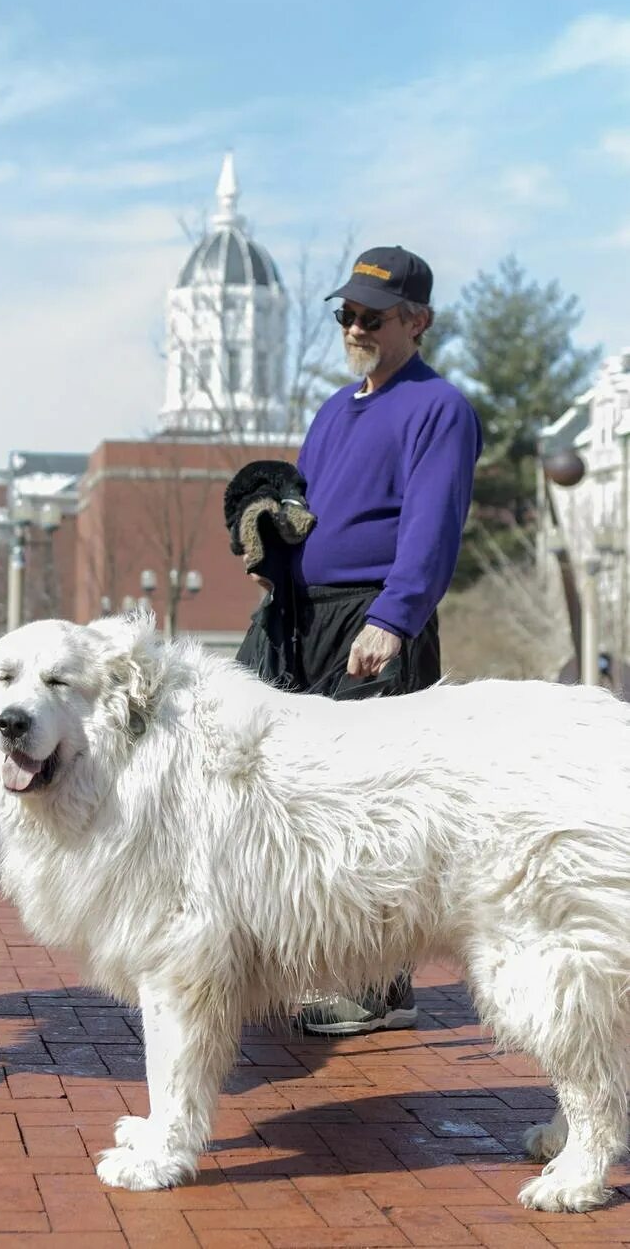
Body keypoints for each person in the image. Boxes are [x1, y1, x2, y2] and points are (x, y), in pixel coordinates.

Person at [237, 244, 483, 1035]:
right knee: (303, 798)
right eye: (345, 314)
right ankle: (325, 963)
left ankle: (378, 984)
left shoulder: (438, 407)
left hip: (375, 619)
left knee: (372, 808)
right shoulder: (336, 409)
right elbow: (309, 511)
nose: (354, 327)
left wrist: (395, 617)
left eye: (371, 316)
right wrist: (270, 538)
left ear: (418, 320)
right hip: (308, 618)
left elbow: (432, 527)